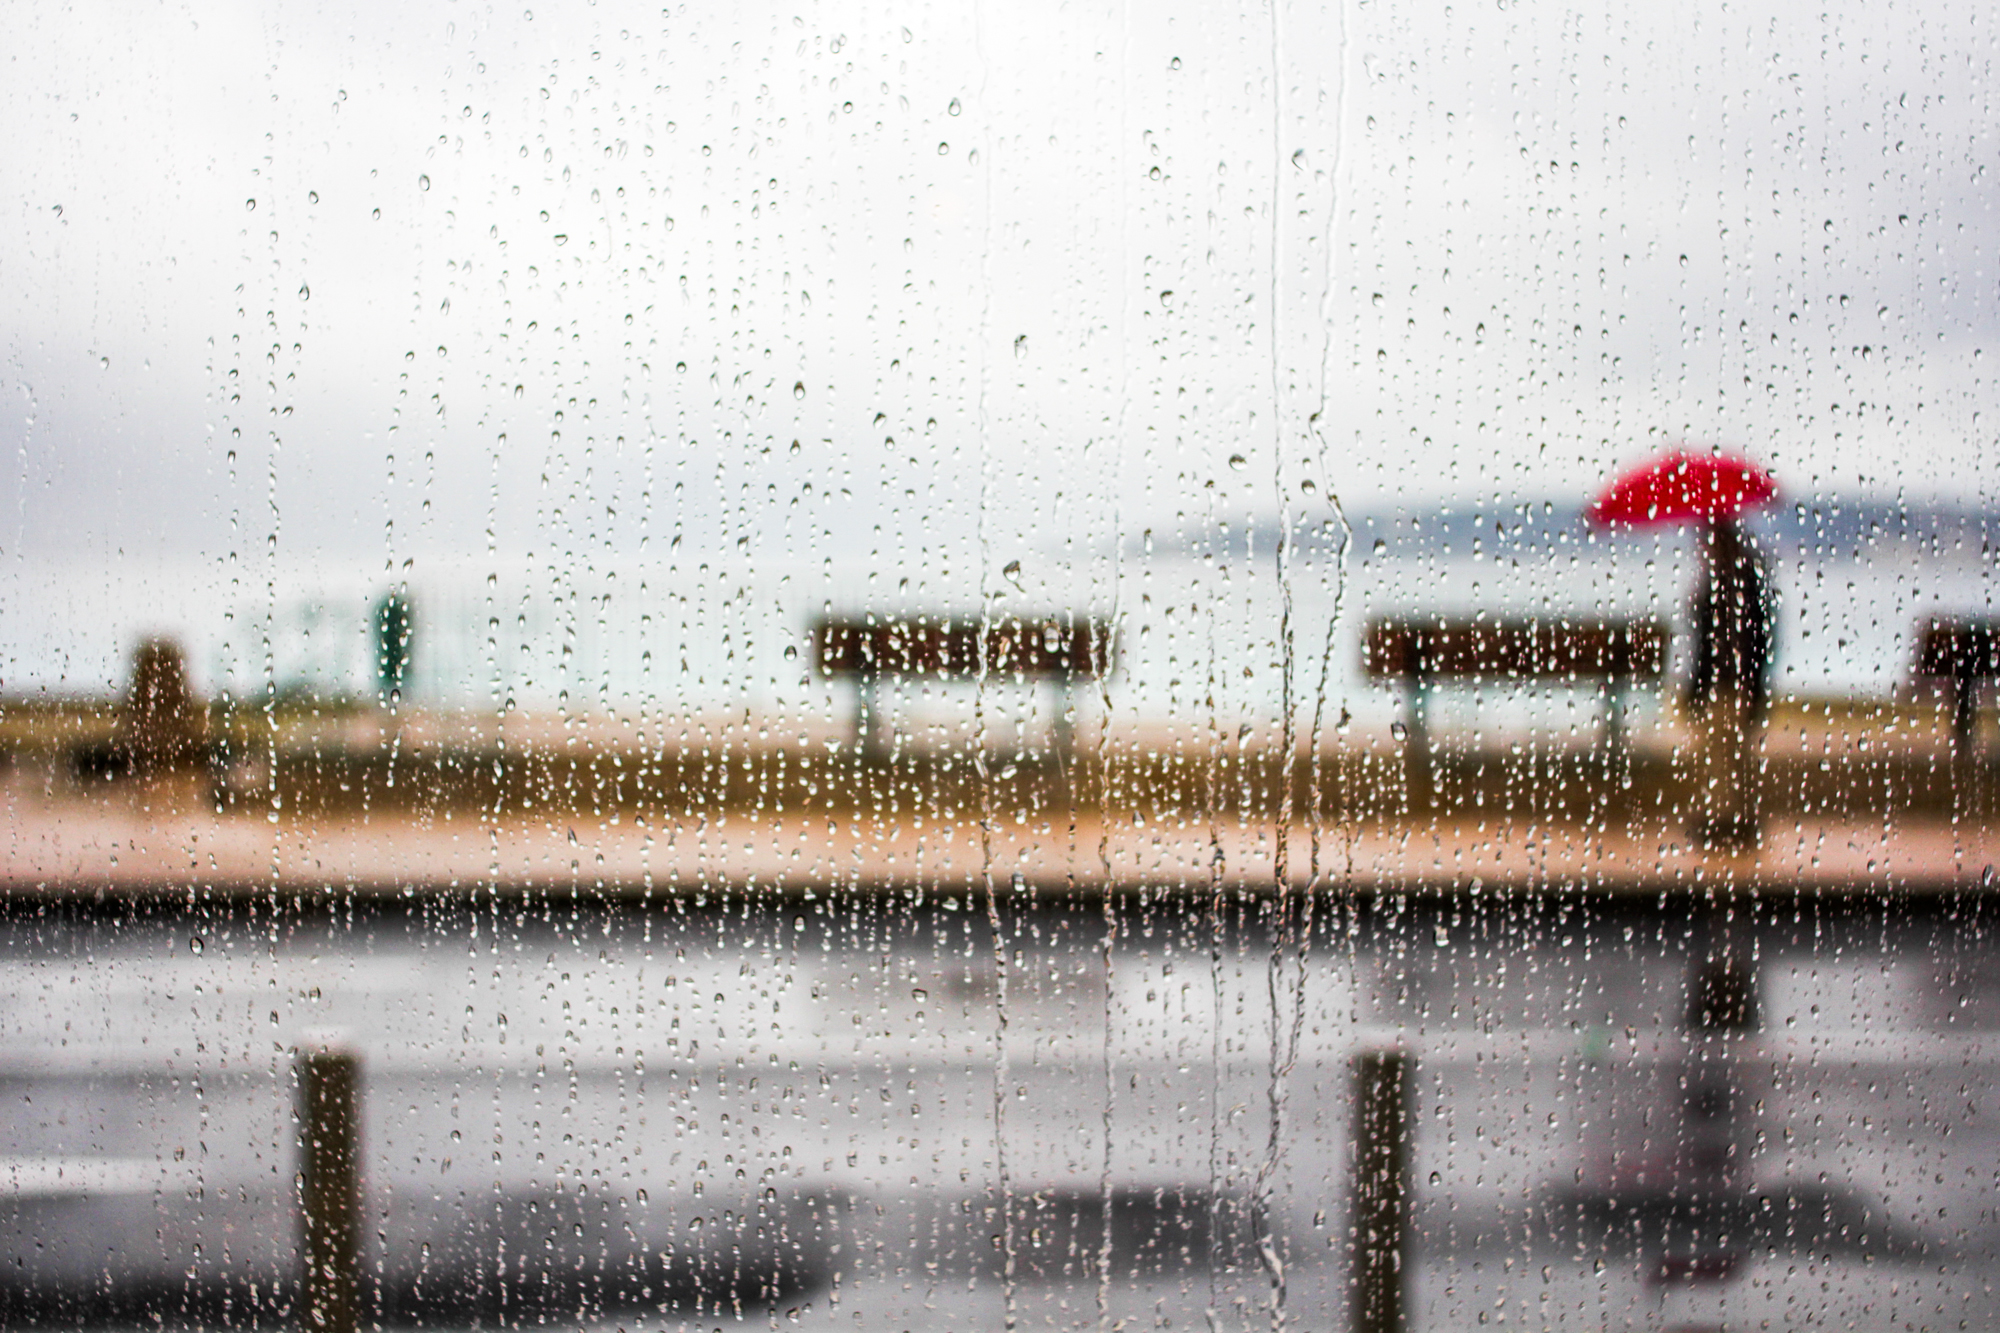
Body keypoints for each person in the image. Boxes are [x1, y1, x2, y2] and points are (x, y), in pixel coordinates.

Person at [1686, 517, 1773, 849]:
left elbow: (1719, 642)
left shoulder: (1732, 580)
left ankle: (1728, 823)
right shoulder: (1738, 577)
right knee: (1726, 755)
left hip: (1727, 683)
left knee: (1726, 755)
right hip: (1731, 682)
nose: (1702, 547)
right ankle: (1730, 822)